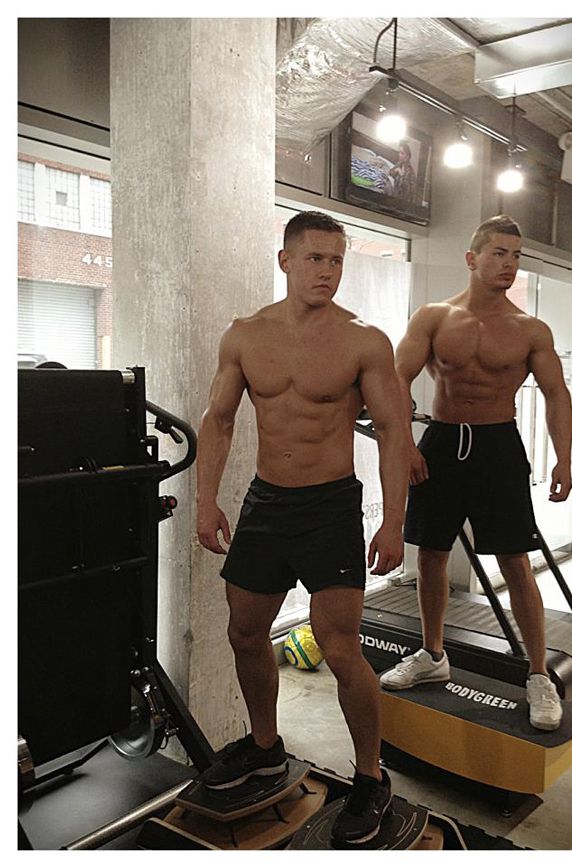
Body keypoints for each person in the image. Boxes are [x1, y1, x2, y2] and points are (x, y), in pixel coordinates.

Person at [196, 210, 409, 845]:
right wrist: (205, 501)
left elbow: (393, 431)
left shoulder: (364, 341)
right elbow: (218, 420)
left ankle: (371, 776)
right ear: (285, 260)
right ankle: (265, 746)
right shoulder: (245, 335)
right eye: (315, 258)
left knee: (338, 647)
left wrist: (393, 521)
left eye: (337, 260)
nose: (327, 271)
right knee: (244, 632)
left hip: (330, 507)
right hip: (267, 504)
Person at [379, 215, 572, 732]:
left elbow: (556, 394)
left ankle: (538, 675)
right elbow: (397, 377)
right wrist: (405, 445)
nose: (510, 264)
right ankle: (432, 654)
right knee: (431, 555)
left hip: (498, 447)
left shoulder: (529, 329)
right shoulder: (434, 317)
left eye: (516, 255)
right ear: (472, 258)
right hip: (442, 442)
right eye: (499, 253)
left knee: (516, 561)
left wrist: (564, 458)